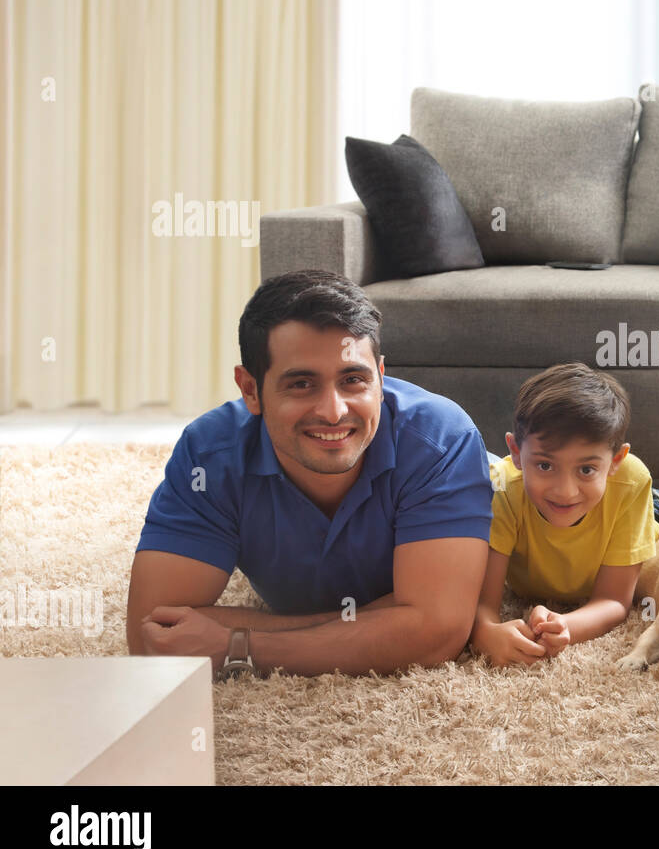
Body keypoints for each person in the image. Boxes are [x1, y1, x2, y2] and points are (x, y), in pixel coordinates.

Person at [127, 269, 494, 677]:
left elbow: (438, 634)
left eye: (353, 379)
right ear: (250, 390)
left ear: (381, 377)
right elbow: (154, 636)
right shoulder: (209, 455)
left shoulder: (442, 439)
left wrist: (237, 642)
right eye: (302, 384)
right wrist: (390, 619)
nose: (333, 411)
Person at [470, 362, 659, 667]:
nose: (565, 491)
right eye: (545, 466)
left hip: (655, 514)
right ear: (515, 451)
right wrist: (486, 633)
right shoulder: (501, 489)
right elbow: (484, 606)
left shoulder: (630, 481)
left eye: (586, 469)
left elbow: (615, 600)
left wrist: (566, 627)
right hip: (601, 499)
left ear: (616, 460)